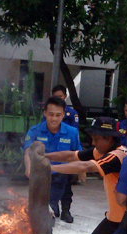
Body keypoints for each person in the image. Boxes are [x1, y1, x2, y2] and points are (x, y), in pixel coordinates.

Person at [24, 96, 82, 218]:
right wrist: (28, 168)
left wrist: (82, 172)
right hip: (39, 174)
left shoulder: (72, 132)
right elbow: (28, 151)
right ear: (45, 113)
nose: (54, 118)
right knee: (35, 205)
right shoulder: (35, 131)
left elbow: (78, 153)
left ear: (63, 115)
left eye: (58, 115)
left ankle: (48, 226)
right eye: (50, 114)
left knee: (50, 205)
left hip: (60, 174)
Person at [51, 84, 80, 223]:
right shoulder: (49, 114)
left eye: (60, 96)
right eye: (56, 97)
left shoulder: (72, 114)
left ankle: (66, 211)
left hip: (67, 157)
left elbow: (74, 136)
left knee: (67, 187)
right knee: (51, 186)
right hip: (52, 157)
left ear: (65, 97)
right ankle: (53, 207)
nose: (59, 99)